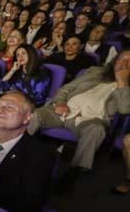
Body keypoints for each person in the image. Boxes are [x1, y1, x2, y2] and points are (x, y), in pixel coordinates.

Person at [28, 51, 130, 181]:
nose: (124, 64)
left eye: (129, 61)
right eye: (121, 59)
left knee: (96, 129)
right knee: (36, 114)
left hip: (91, 120)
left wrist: (123, 82)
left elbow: (125, 109)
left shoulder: (127, 88)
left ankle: (74, 172)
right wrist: (60, 103)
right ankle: (18, 148)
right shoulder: (96, 72)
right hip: (65, 110)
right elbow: (65, 89)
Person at [0, 43, 52, 110]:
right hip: (9, 102)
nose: (20, 57)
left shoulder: (41, 72)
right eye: (18, 55)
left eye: (23, 53)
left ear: (31, 54)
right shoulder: (17, 72)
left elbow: (38, 98)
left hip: (24, 107)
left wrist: (16, 94)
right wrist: (12, 70)